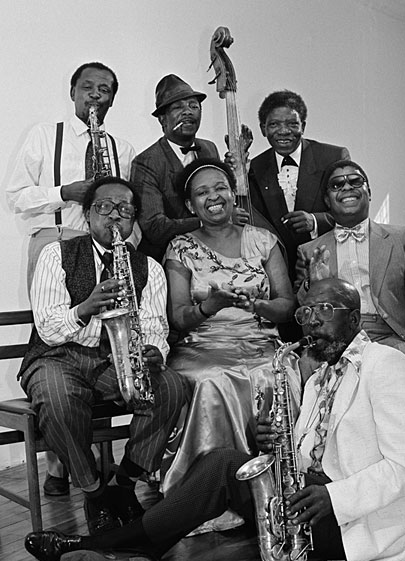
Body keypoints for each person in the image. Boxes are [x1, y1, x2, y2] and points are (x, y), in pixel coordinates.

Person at [24, 278, 405, 561]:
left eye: (323, 309)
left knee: (220, 467)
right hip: (308, 503)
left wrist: (332, 496)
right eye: (305, 313)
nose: (311, 321)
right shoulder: (320, 376)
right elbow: (309, 455)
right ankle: (136, 555)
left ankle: (102, 545)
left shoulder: (387, 365)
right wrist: (277, 444)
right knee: (222, 461)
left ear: (354, 317)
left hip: (356, 522)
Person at [19, 176, 190, 535]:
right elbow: (48, 328)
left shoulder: (149, 267)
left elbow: (154, 326)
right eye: (105, 207)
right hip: (56, 356)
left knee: (171, 387)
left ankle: (124, 484)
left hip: (115, 358)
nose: (115, 216)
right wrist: (85, 308)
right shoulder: (56, 254)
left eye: (125, 210)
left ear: (133, 219)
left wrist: (154, 351)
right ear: (87, 214)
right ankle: (94, 492)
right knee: (57, 398)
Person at [6, 61, 137, 495]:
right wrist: (65, 192)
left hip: (105, 245)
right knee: (56, 345)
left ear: (112, 98)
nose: (95, 95)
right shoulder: (45, 135)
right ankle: (59, 465)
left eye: (105, 89)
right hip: (56, 239)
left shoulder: (121, 147)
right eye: (88, 87)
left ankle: (90, 456)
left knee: (101, 343)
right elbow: (16, 196)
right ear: (73, 92)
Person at [162, 158, 300, 531]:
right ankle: (211, 495)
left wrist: (258, 306)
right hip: (203, 342)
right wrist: (210, 306)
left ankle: (281, 485)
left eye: (220, 187)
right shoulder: (180, 248)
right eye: (202, 192)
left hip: (260, 337)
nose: (214, 197)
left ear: (232, 193)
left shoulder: (263, 240)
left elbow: (287, 305)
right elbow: (178, 316)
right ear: (190, 205)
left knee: (277, 372)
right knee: (211, 379)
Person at [294, 159, 405, 388]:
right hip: (335, 339)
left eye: (355, 181)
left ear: (369, 192)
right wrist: (313, 285)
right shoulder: (310, 250)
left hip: (392, 338)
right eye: (337, 185)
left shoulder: (401, 238)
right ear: (327, 200)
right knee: (308, 367)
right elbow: (302, 312)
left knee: (393, 369)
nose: (347, 187)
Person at [248, 90, 350, 281]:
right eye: (274, 124)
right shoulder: (255, 167)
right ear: (263, 129)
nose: (284, 131)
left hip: (330, 269)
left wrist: (315, 221)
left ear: (303, 126)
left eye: (292, 124)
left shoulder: (333, 157)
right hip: (279, 275)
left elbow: (352, 213)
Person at [130, 74, 221, 262]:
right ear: (162, 119)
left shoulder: (209, 148)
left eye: (194, 106)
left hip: (213, 253)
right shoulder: (146, 162)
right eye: (178, 107)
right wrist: (211, 220)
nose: (188, 111)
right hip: (168, 259)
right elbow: (155, 227)